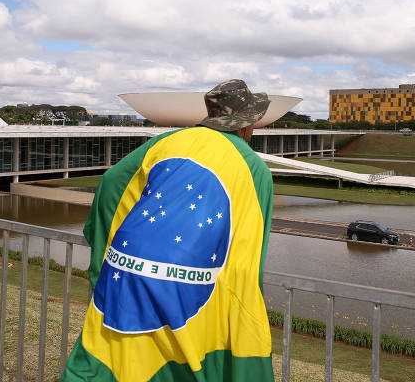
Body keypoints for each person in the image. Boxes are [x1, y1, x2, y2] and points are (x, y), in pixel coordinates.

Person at [63, 79, 274, 382]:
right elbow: (248, 251)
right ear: (247, 125)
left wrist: (106, 247)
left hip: (128, 271)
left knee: (119, 358)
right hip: (189, 285)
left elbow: (112, 183)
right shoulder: (253, 167)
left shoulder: (166, 141)